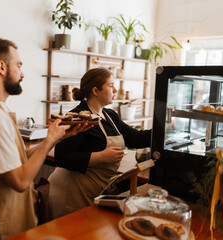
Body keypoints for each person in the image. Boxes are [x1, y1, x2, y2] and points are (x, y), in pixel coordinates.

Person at [0, 38, 90, 240]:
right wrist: (48, 141)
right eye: (19, 66)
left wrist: (57, 139)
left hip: (4, 221)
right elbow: (20, 181)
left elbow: (18, 157)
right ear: (1, 67)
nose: (22, 74)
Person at [48, 67, 152, 219]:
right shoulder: (78, 117)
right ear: (95, 90)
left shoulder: (110, 116)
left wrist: (165, 131)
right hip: (70, 193)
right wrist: (101, 156)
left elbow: (136, 138)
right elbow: (62, 157)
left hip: (93, 191)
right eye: (110, 85)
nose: (115, 90)